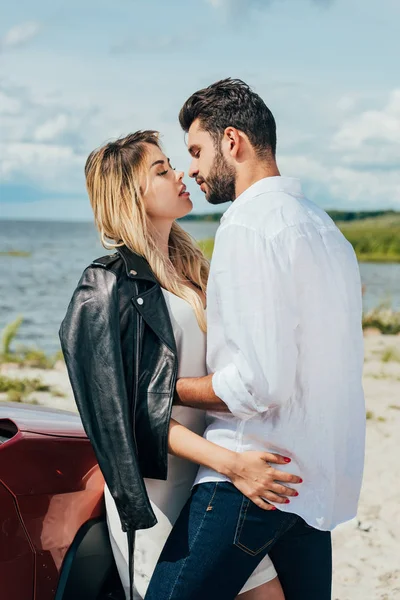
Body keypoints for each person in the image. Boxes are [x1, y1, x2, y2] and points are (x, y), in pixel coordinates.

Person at [145, 79, 366, 600]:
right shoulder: (324, 228)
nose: (192, 169)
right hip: (314, 482)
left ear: (232, 141)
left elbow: (257, 384)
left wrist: (171, 388)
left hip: (250, 477)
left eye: (196, 151)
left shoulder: (247, 225)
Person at [59, 131, 302, 600]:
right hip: (160, 494)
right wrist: (234, 466)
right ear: (131, 194)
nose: (181, 174)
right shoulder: (105, 286)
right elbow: (131, 413)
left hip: (213, 478)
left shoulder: (190, 270)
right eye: (161, 169)